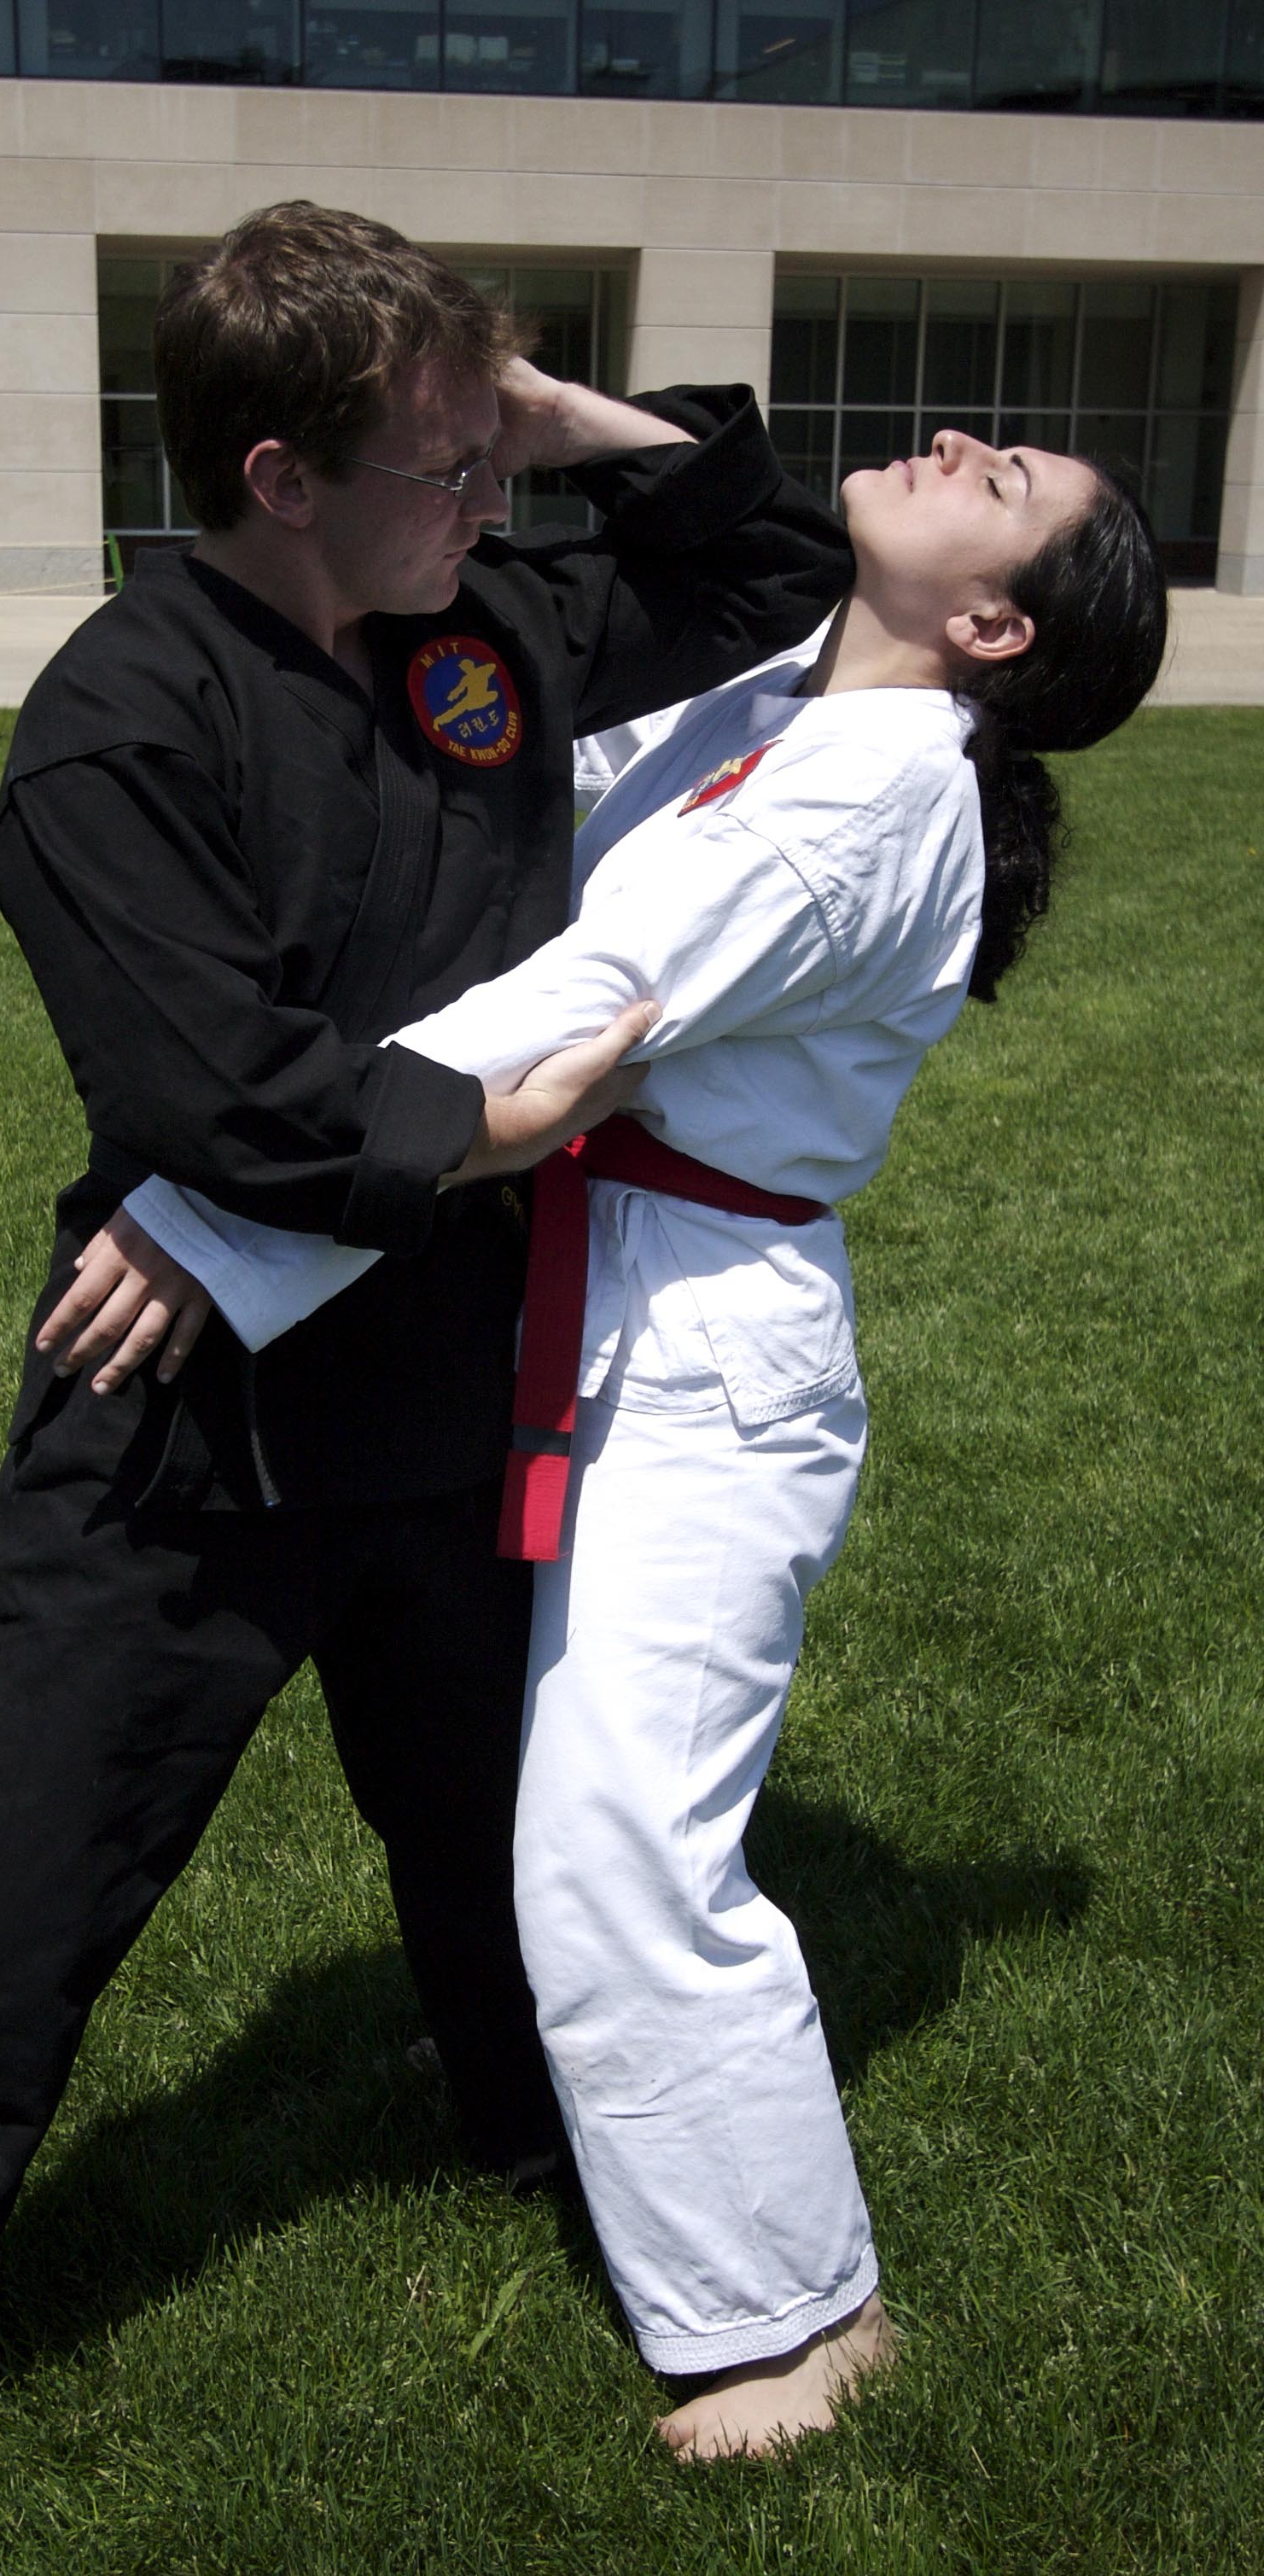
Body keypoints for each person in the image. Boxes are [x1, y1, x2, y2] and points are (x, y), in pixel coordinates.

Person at [0, 199, 854, 2531]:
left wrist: (548, 416)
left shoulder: (489, 620)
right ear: (272, 474)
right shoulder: (118, 722)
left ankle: (527, 2128)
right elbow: (220, 1093)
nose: (492, 507)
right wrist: (517, 1115)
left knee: (494, 1848)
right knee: (6, 1893)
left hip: (456, 1410)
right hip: (188, 1436)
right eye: (444, 465)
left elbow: (765, 586)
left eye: (493, 466)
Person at [102, 429, 1169, 2457]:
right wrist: (513, 393)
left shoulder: (861, 800)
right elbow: (588, 785)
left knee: (619, 1852)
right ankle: (693, 2215)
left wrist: (212, 1216)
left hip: (704, 1359)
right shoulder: (797, 705)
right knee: (564, 1820)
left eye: (1003, 470)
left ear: (995, 620)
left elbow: (572, 997)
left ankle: (795, 2315)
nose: (952, 438)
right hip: (606, 1293)